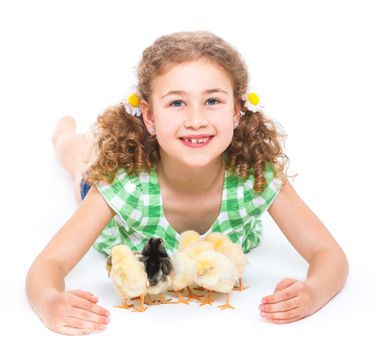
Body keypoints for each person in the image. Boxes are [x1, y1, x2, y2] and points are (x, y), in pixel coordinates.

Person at [26, 31, 349, 335]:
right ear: (149, 117)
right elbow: (48, 265)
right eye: (177, 103)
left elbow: (328, 254)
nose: (196, 120)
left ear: (237, 111)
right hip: (105, 187)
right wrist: (49, 302)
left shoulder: (256, 177)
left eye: (212, 101)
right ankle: (64, 135)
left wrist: (313, 291)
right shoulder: (123, 185)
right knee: (80, 158)